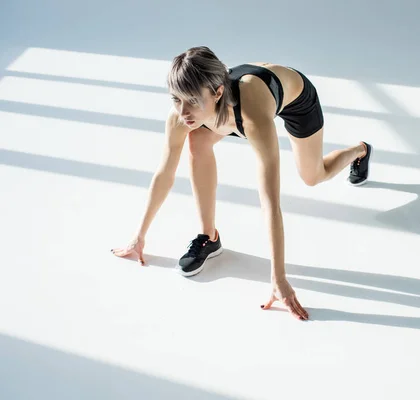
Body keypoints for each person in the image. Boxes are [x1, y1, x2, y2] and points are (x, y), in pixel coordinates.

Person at [111, 46, 373, 320]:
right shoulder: (183, 114)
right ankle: (209, 237)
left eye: (191, 100)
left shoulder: (253, 116)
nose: (183, 111)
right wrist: (138, 236)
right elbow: (164, 173)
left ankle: (359, 151)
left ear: (217, 92)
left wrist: (278, 277)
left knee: (313, 175)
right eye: (176, 99)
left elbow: (269, 200)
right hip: (225, 110)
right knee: (196, 140)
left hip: (293, 99)